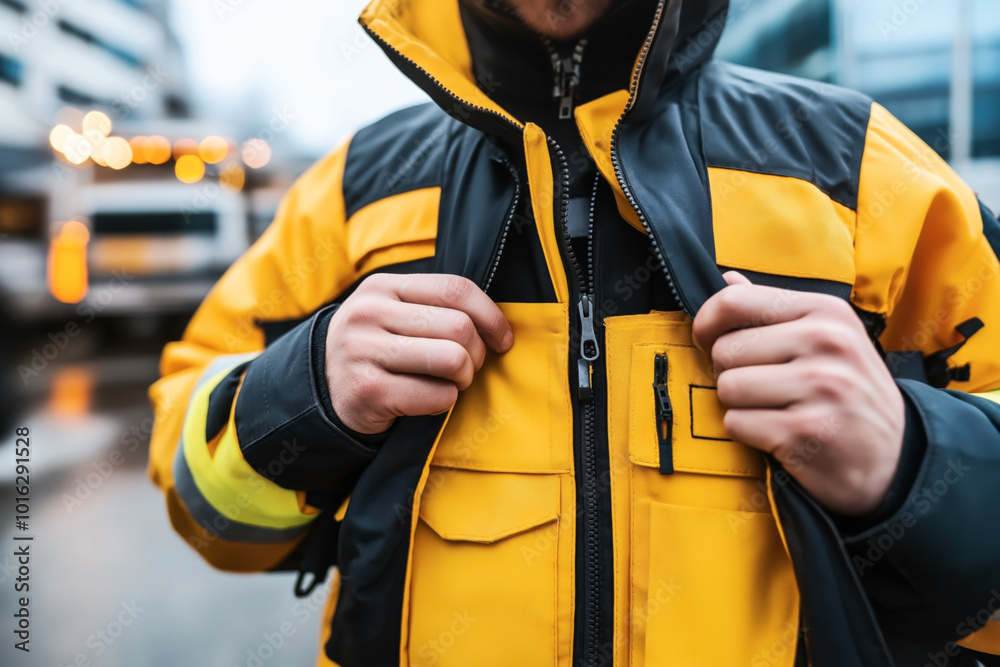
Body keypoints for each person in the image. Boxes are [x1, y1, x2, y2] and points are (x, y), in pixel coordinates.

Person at [148, 0, 1000, 665]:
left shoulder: (862, 175)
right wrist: (303, 394)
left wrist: (914, 466)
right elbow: (207, 511)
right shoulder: (351, 198)